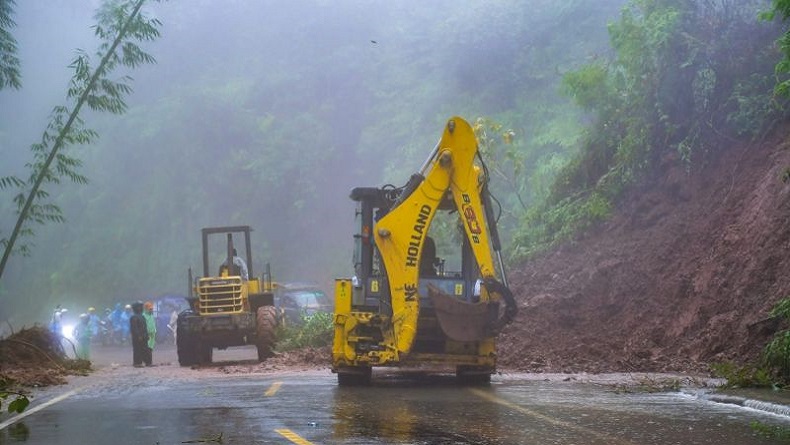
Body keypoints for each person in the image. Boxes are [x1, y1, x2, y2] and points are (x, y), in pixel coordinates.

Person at [129, 301, 148, 367]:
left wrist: (146, 335)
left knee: (144, 349)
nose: (141, 308)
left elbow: (145, 327)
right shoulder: (134, 317)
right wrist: (138, 336)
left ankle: (146, 361)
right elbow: (134, 328)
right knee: (137, 349)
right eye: (140, 307)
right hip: (137, 337)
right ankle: (137, 362)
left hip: (143, 336)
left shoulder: (142, 316)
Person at [142, 301, 157, 366]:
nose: (151, 310)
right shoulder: (144, 316)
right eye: (150, 309)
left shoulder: (151, 315)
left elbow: (153, 324)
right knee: (147, 349)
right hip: (147, 335)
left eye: (152, 309)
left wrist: (155, 331)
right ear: (146, 308)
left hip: (152, 335)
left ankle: (148, 362)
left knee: (150, 348)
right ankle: (148, 362)